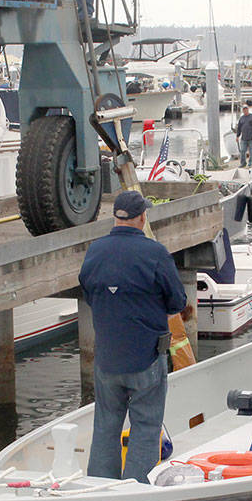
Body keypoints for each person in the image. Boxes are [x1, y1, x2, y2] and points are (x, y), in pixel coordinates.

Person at [78, 190, 187, 481]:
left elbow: (88, 291)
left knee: (105, 427)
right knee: (146, 427)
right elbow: (177, 302)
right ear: (142, 217)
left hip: (107, 360)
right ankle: (136, 491)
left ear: (115, 217)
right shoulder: (155, 253)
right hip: (146, 358)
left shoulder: (95, 250)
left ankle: (100, 486)